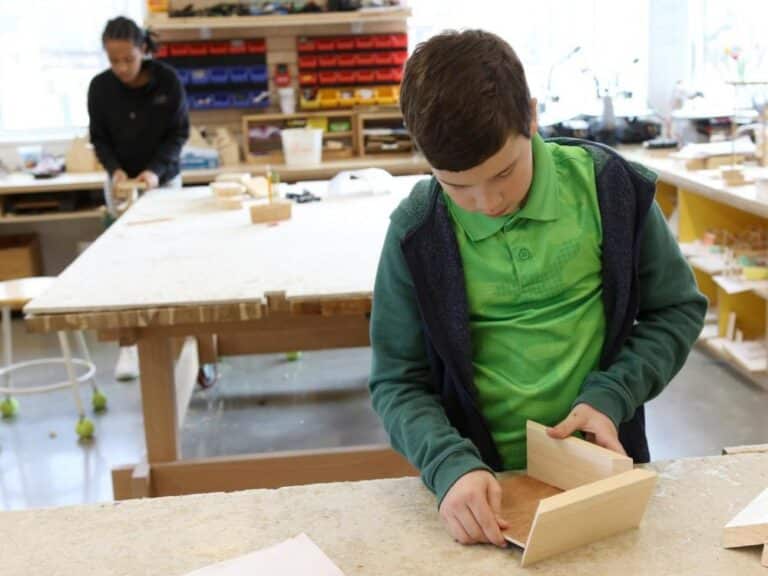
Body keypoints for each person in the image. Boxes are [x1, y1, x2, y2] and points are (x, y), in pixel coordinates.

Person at [369, 30, 706, 548]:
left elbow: (676, 310)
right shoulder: (416, 231)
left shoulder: (612, 191)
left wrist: (613, 394)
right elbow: (397, 380)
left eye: (503, 173)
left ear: (530, 116)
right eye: (456, 185)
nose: (485, 202)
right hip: (482, 490)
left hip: (602, 472)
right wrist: (447, 464)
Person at [88, 16, 189, 380]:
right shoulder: (100, 88)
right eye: (113, 60)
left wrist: (155, 173)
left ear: (143, 49)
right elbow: (99, 138)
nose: (121, 68)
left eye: (127, 59)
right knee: (124, 265)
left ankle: (178, 342)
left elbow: (179, 134)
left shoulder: (168, 81)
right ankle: (129, 348)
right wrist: (115, 170)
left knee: (167, 262)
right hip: (120, 184)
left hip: (162, 183)